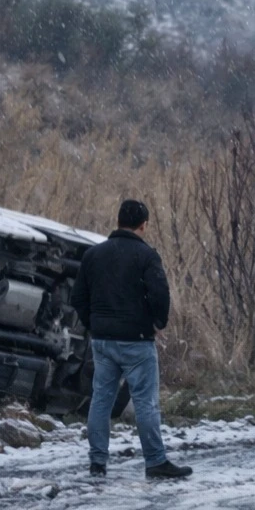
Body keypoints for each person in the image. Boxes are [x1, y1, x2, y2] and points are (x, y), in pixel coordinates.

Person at [71, 199, 193, 479]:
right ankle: (155, 461)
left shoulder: (94, 255)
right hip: (137, 340)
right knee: (145, 402)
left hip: (102, 341)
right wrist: (157, 322)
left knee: (101, 399)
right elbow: (161, 294)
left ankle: (98, 462)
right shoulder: (147, 256)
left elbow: (78, 297)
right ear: (144, 225)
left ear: (118, 221)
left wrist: (94, 324)